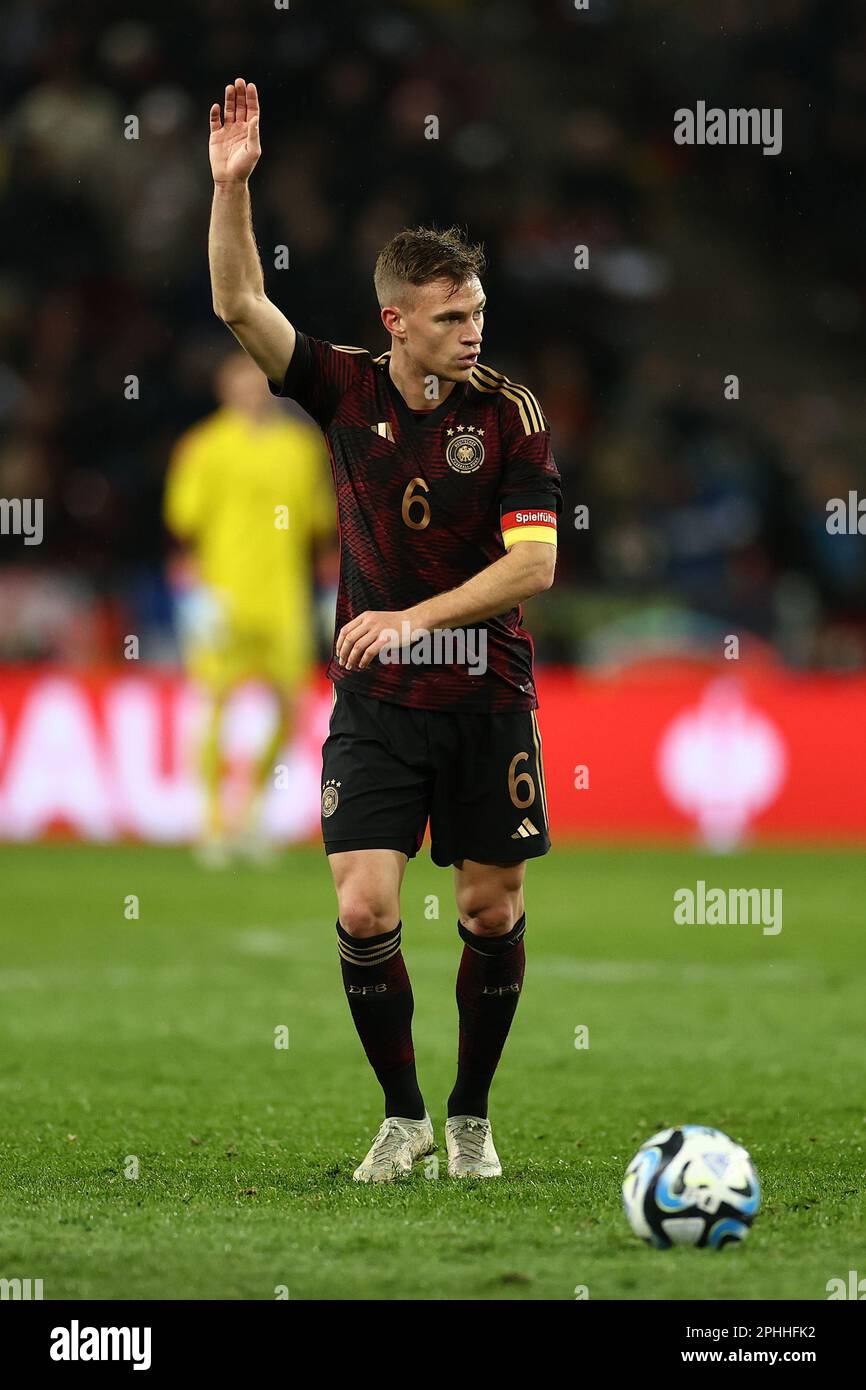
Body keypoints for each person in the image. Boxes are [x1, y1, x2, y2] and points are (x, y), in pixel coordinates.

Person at [208, 78, 560, 1179]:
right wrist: (232, 189)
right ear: (394, 320)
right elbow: (237, 306)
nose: (472, 332)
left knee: (487, 910)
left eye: (478, 313)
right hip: (376, 705)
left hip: (483, 693)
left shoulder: (507, 413)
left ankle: (470, 1116)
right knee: (364, 906)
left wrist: (411, 616)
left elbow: (535, 563)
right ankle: (403, 1115)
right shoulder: (340, 388)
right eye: (450, 316)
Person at [164, 349, 335, 864]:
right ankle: (215, 824)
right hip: (224, 597)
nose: (251, 392)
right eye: (240, 382)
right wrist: (193, 596)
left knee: (289, 708)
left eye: (259, 383)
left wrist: (330, 594)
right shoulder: (203, 447)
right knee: (215, 701)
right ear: (224, 389)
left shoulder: (300, 448)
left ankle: (254, 811)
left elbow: (320, 531)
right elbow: (183, 533)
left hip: (284, 599)